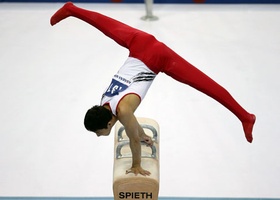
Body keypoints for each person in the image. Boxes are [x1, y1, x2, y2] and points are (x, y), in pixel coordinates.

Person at [50, 2, 256, 176]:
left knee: (206, 85)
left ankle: (245, 117)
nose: (98, 135)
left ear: (108, 122)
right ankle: (72, 9)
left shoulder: (122, 111)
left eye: (98, 132)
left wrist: (136, 165)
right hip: (140, 43)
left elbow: (133, 140)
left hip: (158, 58)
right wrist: (141, 133)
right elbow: (133, 128)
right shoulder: (106, 101)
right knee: (107, 25)